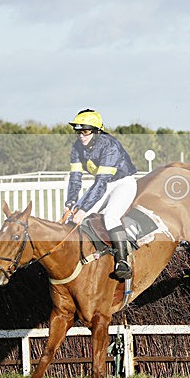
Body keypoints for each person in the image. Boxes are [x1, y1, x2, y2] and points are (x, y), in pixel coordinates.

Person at [66, 109, 138, 280]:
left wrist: (83, 209)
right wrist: (70, 204)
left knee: (110, 217)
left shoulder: (109, 146)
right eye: (78, 132)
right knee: (73, 216)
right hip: (103, 184)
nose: (81, 136)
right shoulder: (76, 148)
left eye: (85, 131)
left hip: (123, 183)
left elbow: (101, 183)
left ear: (97, 131)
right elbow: (75, 178)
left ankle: (122, 262)